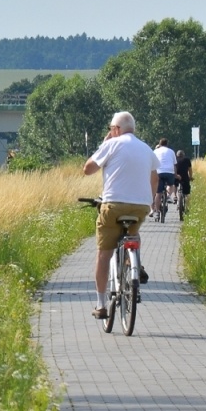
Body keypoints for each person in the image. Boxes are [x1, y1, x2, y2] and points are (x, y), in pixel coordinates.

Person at [82, 112, 159, 318]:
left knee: (104, 253)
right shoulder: (147, 149)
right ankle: (135, 263)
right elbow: (155, 178)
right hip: (141, 207)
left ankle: (100, 304)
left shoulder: (111, 144)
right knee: (133, 233)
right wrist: (149, 202)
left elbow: (87, 169)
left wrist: (103, 145)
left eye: (110, 128)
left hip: (113, 205)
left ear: (116, 129)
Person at [154, 137, 178, 206]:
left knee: (158, 194)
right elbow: (174, 165)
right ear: (167, 144)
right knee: (171, 185)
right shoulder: (171, 151)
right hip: (169, 172)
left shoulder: (155, 151)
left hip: (159, 172)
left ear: (159, 144)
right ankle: (167, 195)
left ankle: (157, 212)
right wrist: (175, 175)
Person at [175, 149, 193, 213]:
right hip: (185, 177)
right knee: (187, 193)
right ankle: (187, 208)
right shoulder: (187, 160)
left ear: (177, 155)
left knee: (175, 186)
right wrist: (190, 177)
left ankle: (176, 198)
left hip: (176, 177)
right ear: (184, 155)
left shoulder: (175, 160)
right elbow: (190, 170)